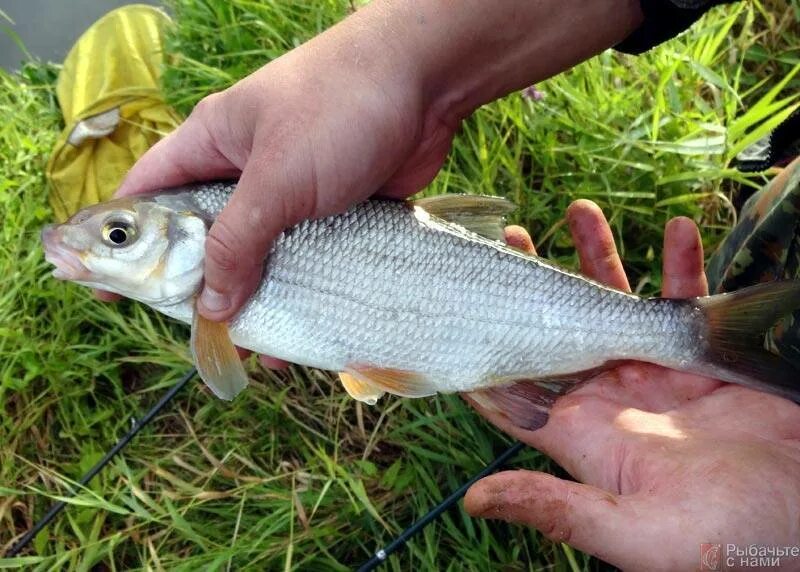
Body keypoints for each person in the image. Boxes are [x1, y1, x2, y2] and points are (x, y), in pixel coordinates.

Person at [110, 0, 800, 568]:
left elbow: (225, 379)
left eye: (120, 236)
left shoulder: (217, 306)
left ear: (199, 237)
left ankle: (704, 336)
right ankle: (715, 336)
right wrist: (403, 69)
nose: (110, 249)